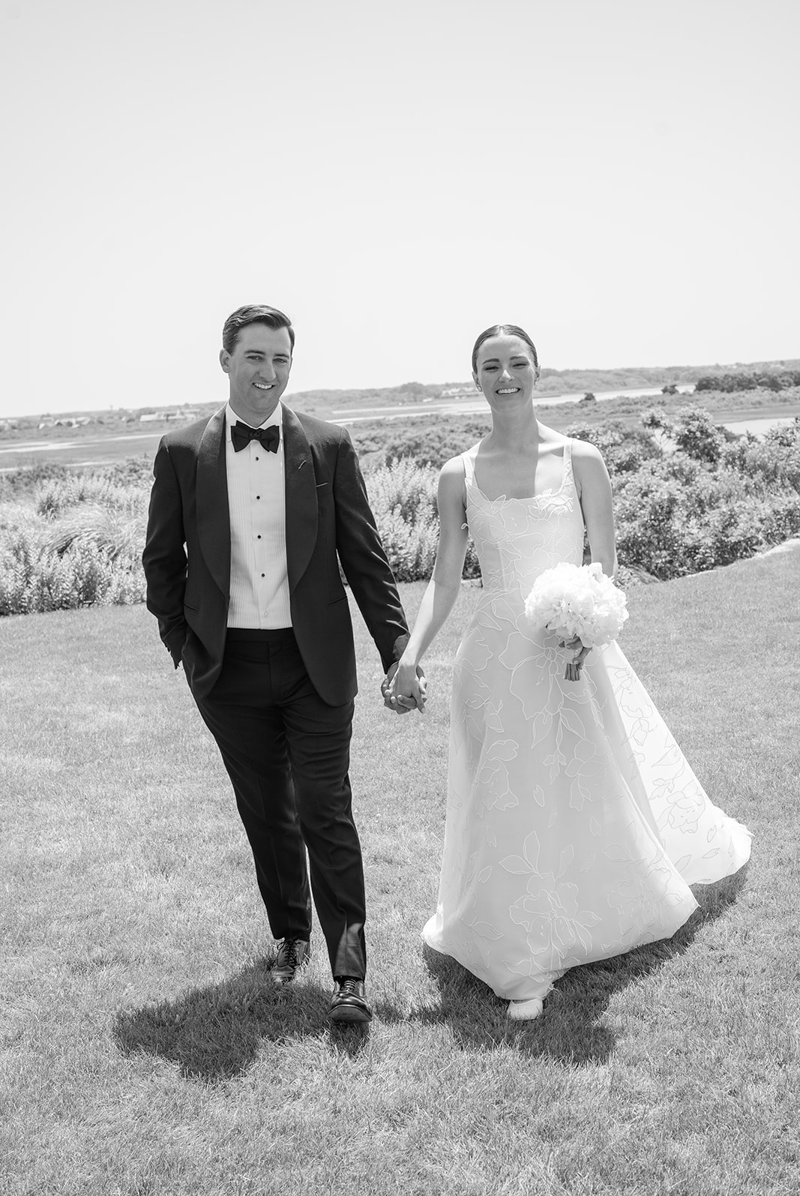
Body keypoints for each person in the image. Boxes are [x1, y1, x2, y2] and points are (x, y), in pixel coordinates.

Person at [386, 324, 751, 1020]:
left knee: (580, 782)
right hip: (492, 657)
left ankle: (583, 911)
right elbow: (444, 576)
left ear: (536, 371)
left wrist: (587, 623)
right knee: (504, 795)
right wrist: (409, 654)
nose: (505, 376)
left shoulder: (581, 457)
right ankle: (516, 952)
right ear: (475, 379)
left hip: (567, 648)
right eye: (490, 366)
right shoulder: (457, 473)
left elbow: (605, 563)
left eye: (516, 363)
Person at [142, 303, 421, 1024]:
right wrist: (185, 646)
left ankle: (350, 976)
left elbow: (366, 559)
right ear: (226, 359)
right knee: (267, 810)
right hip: (226, 669)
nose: (269, 372)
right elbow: (160, 562)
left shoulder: (327, 445)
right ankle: (290, 936)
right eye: (256, 357)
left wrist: (398, 650)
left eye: (281, 360)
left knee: (326, 809)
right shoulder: (179, 451)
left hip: (314, 664)